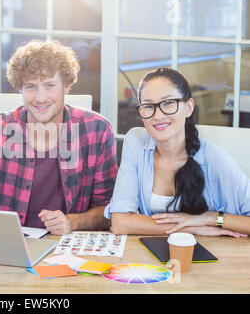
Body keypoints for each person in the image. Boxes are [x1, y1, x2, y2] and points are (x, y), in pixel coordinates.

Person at [0, 40, 118, 235]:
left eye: (49, 85)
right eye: (31, 87)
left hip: (68, 246)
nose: (40, 98)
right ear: (19, 88)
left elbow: (108, 209)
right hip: (11, 244)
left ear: (67, 85)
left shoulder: (97, 130)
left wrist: (72, 222)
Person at [105, 67, 250, 237]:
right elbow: (120, 223)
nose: (157, 116)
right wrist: (191, 228)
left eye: (168, 103)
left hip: (214, 255)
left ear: (188, 107)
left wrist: (209, 218)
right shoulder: (137, 141)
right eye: (148, 106)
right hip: (152, 254)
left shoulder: (216, 159)